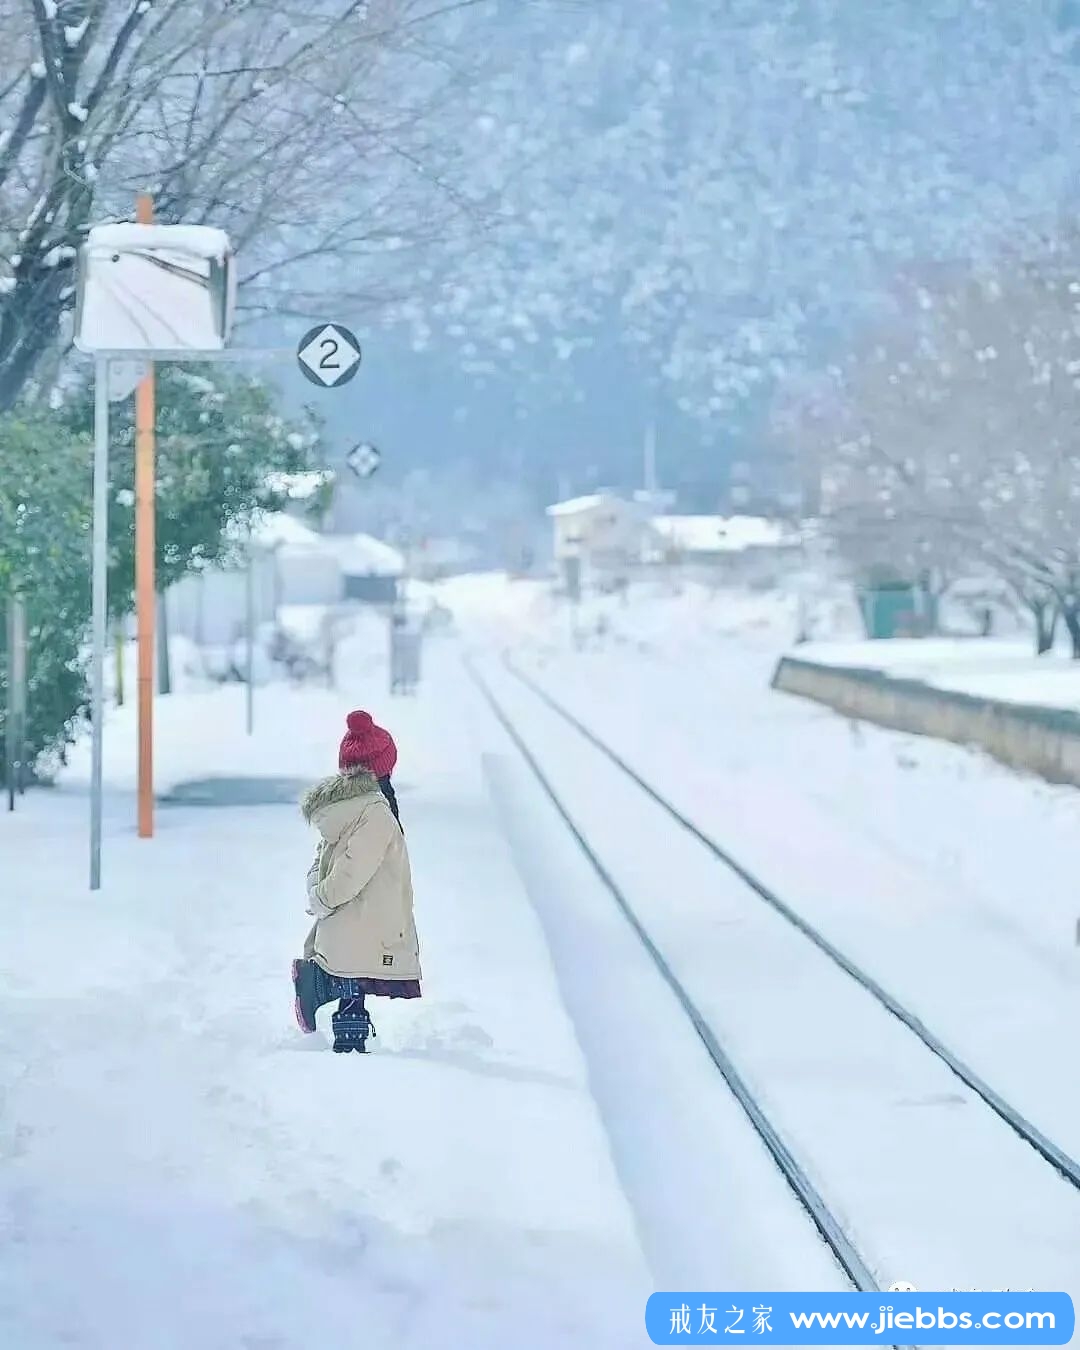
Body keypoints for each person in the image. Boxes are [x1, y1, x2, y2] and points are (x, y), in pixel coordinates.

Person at [291, 710, 420, 1053]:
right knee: (355, 975)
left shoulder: (345, 809)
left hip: (351, 923)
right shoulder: (374, 813)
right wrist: (322, 898)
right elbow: (351, 871)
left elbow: (321, 860)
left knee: (353, 977)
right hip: (361, 918)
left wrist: (316, 892)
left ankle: (338, 1016)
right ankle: (339, 1024)